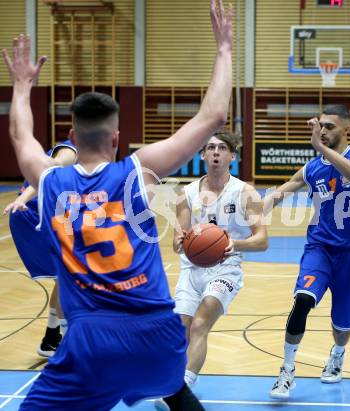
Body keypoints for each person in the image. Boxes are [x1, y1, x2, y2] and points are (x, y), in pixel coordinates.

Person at [2, 0, 232, 409]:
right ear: (116, 137)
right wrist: (224, 48)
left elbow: (22, 138)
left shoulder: (51, 181)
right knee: (172, 388)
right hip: (157, 333)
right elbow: (213, 116)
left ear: (71, 134)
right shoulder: (138, 173)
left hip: (93, 341)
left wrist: (21, 87)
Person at [263, 105, 350, 400]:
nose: (324, 131)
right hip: (320, 248)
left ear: (346, 129)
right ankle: (287, 371)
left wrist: (319, 148)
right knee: (302, 300)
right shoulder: (313, 167)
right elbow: (289, 185)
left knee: (342, 322)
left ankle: (337, 353)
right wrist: (259, 210)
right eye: (321, 126)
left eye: (330, 126)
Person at [164, 132, 267, 396]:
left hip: (226, 269)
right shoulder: (186, 193)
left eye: (222, 148)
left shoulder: (245, 192)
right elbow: (178, 239)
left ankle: (183, 387)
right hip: (191, 269)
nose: (216, 152)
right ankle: (173, 379)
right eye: (210, 148)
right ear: (203, 155)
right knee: (181, 329)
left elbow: (262, 240)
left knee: (200, 324)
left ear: (232, 156)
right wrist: (181, 241)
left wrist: (235, 244)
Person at [4, 139, 76, 357]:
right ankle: (70, 345)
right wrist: (23, 198)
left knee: (63, 276)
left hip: (48, 216)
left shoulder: (90, 157)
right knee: (68, 278)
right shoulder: (72, 152)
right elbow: (46, 174)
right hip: (34, 215)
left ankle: (51, 340)